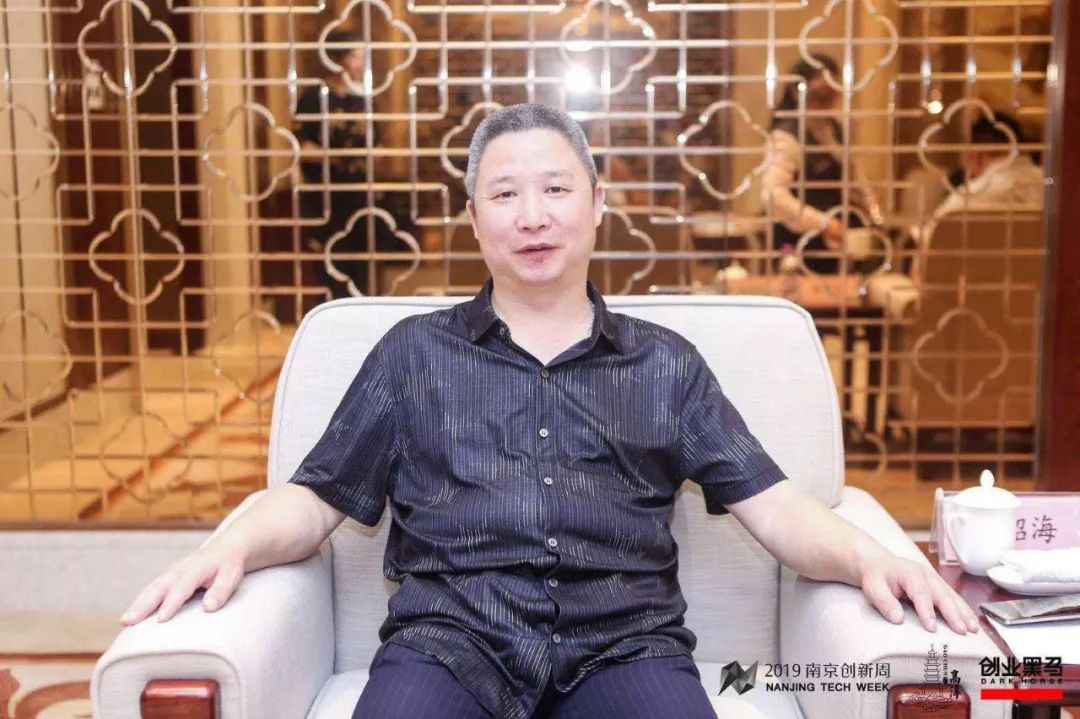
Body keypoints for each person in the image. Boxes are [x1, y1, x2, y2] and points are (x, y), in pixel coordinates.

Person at [121, 103, 979, 719]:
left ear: (598, 205)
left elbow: (778, 506)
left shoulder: (665, 364)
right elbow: (314, 499)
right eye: (504, 195)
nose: (532, 217)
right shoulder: (412, 355)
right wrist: (227, 545)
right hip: (449, 640)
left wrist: (871, 557)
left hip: (626, 644)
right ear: (473, 219)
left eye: (556, 189)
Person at [295, 29, 412, 298]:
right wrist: (341, 155)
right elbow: (302, 148)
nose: (362, 64)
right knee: (330, 264)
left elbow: (376, 147)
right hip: (326, 197)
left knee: (363, 264)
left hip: (361, 195)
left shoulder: (364, 99)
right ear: (339, 59)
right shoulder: (314, 97)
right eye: (357, 57)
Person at [761, 54, 884, 274]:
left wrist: (872, 209)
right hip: (800, 245)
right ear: (797, 92)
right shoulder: (786, 136)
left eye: (832, 95)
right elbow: (773, 196)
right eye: (819, 95)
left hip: (835, 246)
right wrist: (822, 222)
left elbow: (855, 177)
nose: (826, 102)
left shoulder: (835, 129)